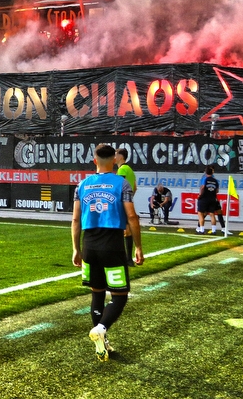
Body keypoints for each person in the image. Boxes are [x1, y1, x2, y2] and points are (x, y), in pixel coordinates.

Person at [72, 143, 143, 362]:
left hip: (89, 245)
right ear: (114, 160)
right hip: (112, 245)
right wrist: (138, 246)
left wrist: (76, 249)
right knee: (120, 296)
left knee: (97, 293)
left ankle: (103, 339)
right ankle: (102, 328)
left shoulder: (82, 185)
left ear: (94, 161)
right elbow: (131, 216)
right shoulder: (121, 183)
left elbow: (75, 219)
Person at [115, 147, 136, 264]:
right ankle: (128, 259)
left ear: (121, 156)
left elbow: (118, 186)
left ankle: (124, 258)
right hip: (127, 201)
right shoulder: (130, 170)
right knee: (127, 230)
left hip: (121, 202)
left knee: (120, 230)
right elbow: (135, 187)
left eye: (115, 154)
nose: (114, 157)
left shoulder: (122, 169)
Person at [196, 166, 221, 234]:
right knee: (212, 214)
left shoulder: (205, 179)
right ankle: (214, 230)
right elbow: (217, 191)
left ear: (205, 172)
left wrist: (200, 195)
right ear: (212, 172)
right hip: (212, 198)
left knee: (200, 213)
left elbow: (202, 187)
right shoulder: (215, 180)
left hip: (204, 198)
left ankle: (202, 229)